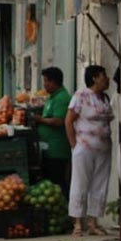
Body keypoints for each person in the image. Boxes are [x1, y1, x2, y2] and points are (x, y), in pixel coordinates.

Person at [65, 65, 115, 237]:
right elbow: (69, 121)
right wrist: (74, 144)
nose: (107, 78)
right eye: (104, 75)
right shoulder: (81, 95)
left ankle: (93, 222)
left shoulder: (105, 98)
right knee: (80, 182)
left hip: (103, 148)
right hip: (84, 147)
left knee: (100, 184)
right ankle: (78, 223)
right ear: (94, 78)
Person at [32, 67, 73, 199]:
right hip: (49, 149)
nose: (44, 85)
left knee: (59, 182)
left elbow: (59, 121)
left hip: (57, 150)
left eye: (46, 81)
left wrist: (40, 119)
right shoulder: (52, 98)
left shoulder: (62, 98)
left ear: (54, 82)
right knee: (50, 183)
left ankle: (65, 210)